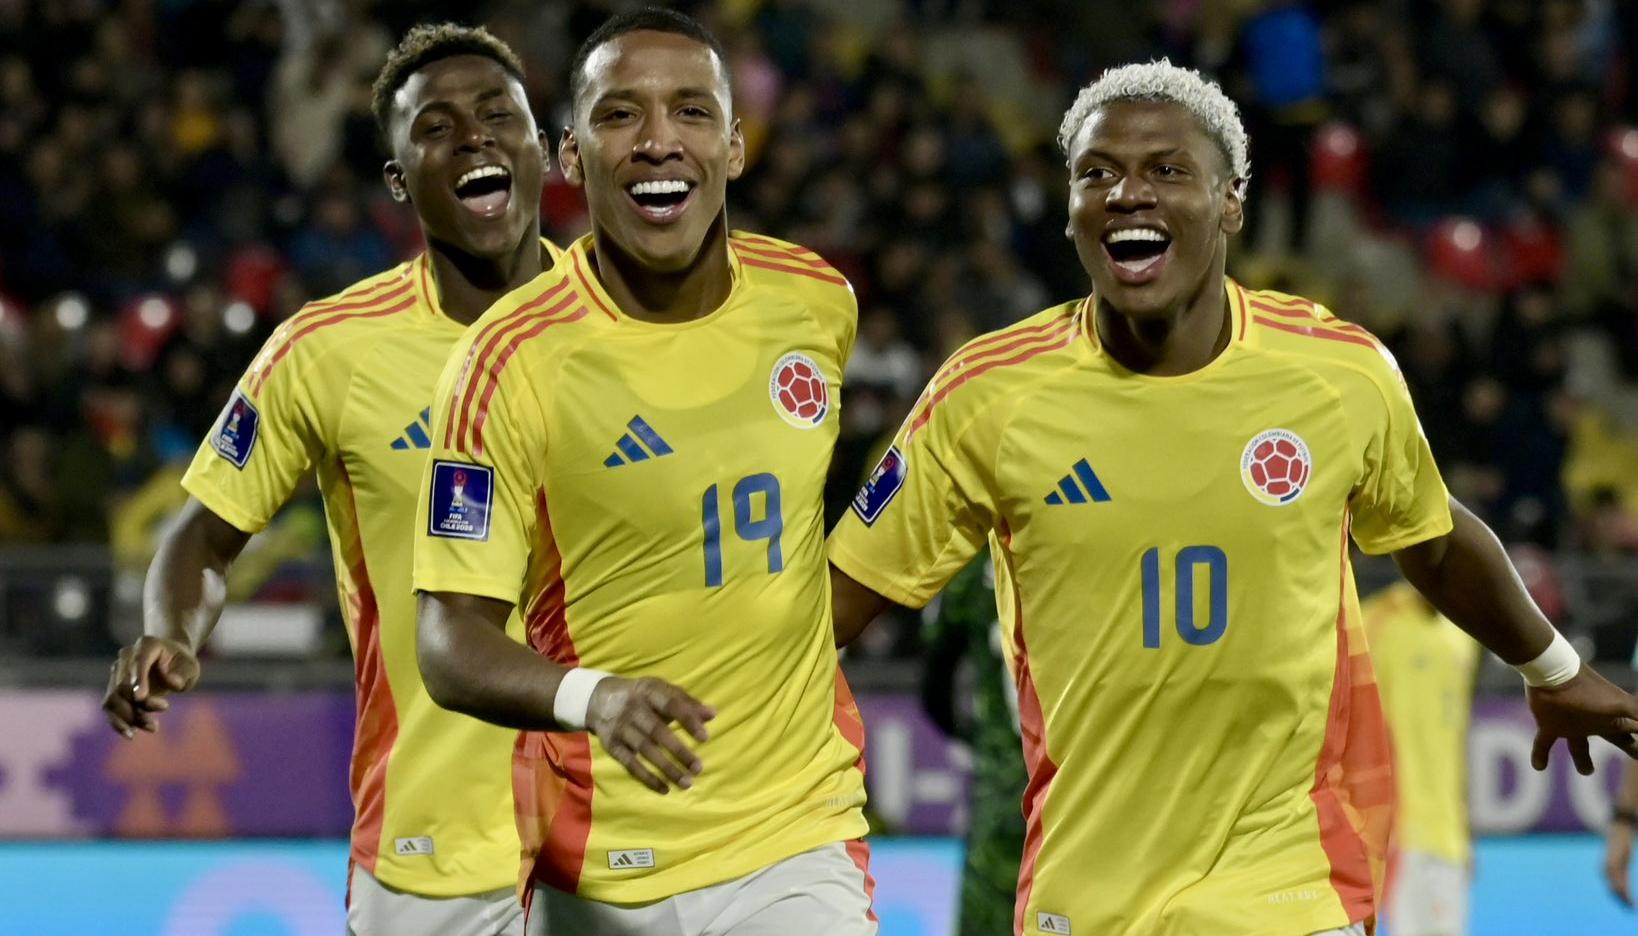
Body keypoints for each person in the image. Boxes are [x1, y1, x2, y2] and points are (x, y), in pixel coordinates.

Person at [826, 59, 1638, 936]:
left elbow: (1430, 539)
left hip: (1290, 890)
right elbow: (831, 607)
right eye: (1096, 173)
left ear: (1231, 202)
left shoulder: (1337, 374)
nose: (1128, 193)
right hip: (1087, 895)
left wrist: (1553, 669)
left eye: (1168, 170)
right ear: (1069, 212)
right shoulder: (985, 396)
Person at [411, 10, 873, 936]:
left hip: (796, 833)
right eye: (620, 115)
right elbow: (446, 639)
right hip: (604, 861)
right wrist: (595, 697)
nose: (659, 138)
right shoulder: (506, 360)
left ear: (736, 146)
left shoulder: (816, 303)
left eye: (692, 112)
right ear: (572, 157)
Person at [100, 24, 560, 936]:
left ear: (544, 148)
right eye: (436, 127)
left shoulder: (630, 323)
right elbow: (202, 532)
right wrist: (170, 633)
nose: (473, 136)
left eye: (498, 114)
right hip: (433, 847)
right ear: (397, 181)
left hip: (639, 829)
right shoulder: (328, 350)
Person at [921, 556, 1027, 936]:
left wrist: (974, 739)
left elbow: (933, 686)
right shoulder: (1077, 554)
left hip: (1001, 783)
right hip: (1076, 776)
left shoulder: (972, 571)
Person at [1366, 582, 1479, 936]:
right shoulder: (1375, 622)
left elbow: (1456, 739)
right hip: (1400, 832)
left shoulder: (1465, 634)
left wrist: (1465, 827)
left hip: (1449, 837)